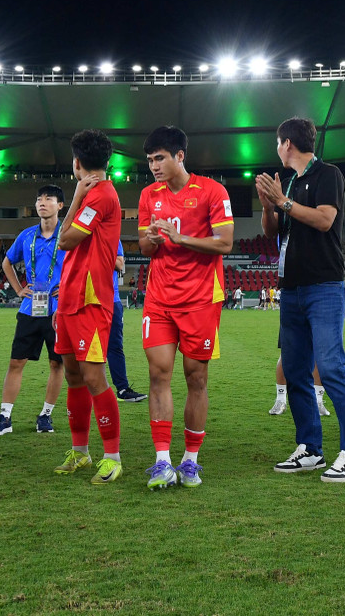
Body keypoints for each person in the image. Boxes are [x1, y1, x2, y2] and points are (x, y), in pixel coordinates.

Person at [256, 117, 345, 483]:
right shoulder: (285, 182)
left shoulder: (328, 175)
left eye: (277, 142)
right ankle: (310, 448)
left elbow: (324, 219)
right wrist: (269, 206)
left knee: (331, 368)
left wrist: (283, 201)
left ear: (287, 143)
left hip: (324, 287)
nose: (277, 148)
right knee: (295, 371)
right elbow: (273, 233)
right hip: (291, 289)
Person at [137, 125, 234, 489]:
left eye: (159, 158)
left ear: (180, 156)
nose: (154, 166)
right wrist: (150, 240)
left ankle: (190, 461)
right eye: (149, 160)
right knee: (158, 375)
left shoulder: (212, 191)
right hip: (159, 298)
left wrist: (179, 237)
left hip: (200, 300)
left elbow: (225, 243)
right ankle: (162, 462)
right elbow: (146, 250)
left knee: (196, 378)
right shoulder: (149, 195)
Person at [51, 130, 124, 485]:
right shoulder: (94, 196)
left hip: (92, 300)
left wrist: (77, 197)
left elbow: (63, 240)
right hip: (69, 298)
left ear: (77, 163)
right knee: (74, 376)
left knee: (94, 377)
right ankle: (81, 452)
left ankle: (113, 457)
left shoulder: (102, 196)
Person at [0, 185, 67, 436]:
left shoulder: (68, 236)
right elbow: (7, 262)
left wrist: (67, 288)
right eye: (39, 198)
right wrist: (19, 289)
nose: (42, 203)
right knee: (16, 362)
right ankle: (5, 416)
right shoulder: (27, 235)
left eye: (49, 199)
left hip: (58, 311)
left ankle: (45, 416)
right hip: (30, 308)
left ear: (60, 205)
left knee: (56, 364)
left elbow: (84, 265)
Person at [108, 241, 146, 402]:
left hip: (111, 300)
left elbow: (119, 264)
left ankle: (122, 389)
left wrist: (97, 252)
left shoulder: (113, 238)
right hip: (86, 300)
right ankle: (86, 390)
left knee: (115, 346)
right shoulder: (80, 233)